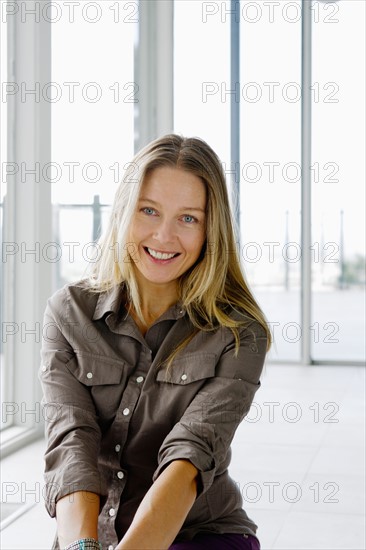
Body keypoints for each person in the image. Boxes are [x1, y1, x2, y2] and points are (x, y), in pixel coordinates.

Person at [40, 134, 271, 550]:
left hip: (200, 533)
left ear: (209, 230)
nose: (164, 236)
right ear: (125, 213)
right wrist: (83, 547)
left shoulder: (240, 332)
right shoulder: (68, 313)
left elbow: (189, 458)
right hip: (91, 537)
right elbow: (71, 442)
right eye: (149, 210)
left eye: (188, 218)